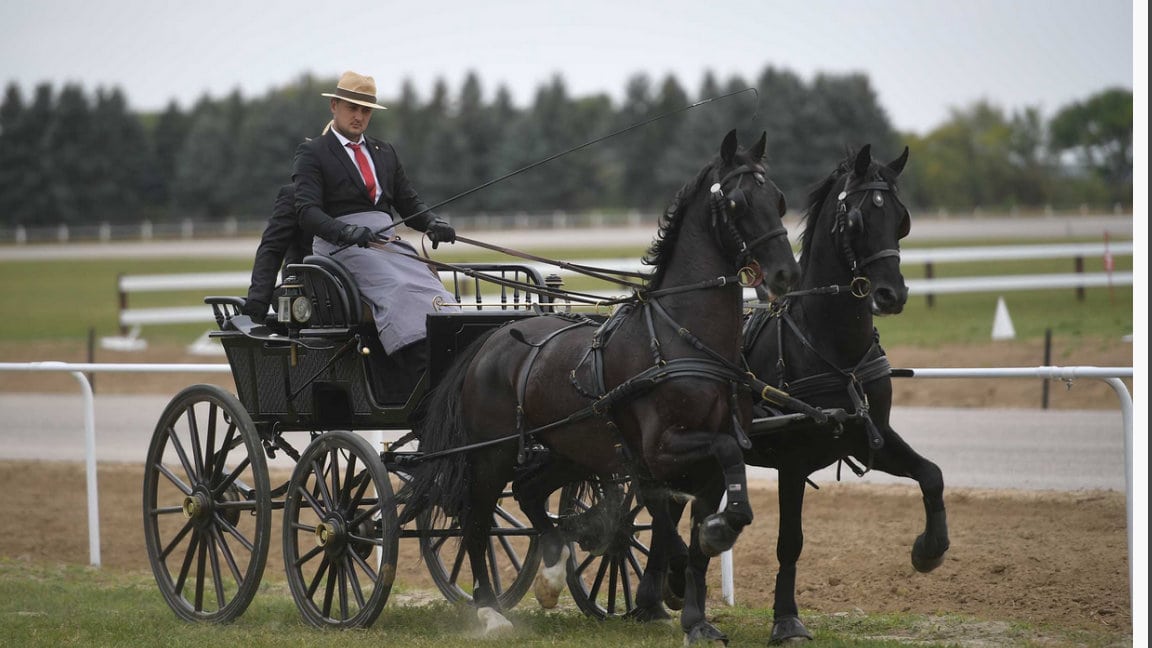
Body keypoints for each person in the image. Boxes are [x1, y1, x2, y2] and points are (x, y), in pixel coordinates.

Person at [293, 70, 459, 391]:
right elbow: (307, 212)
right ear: (334, 106)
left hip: (386, 244)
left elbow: (409, 203)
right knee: (398, 288)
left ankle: (447, 356)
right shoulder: (314, 152)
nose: (358, 117)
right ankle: (418, 367)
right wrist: (344, 231)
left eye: (365, 111)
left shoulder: (384, 152)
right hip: (340, 248)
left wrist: (433, 224)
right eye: (352, 108)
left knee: (434, 290)